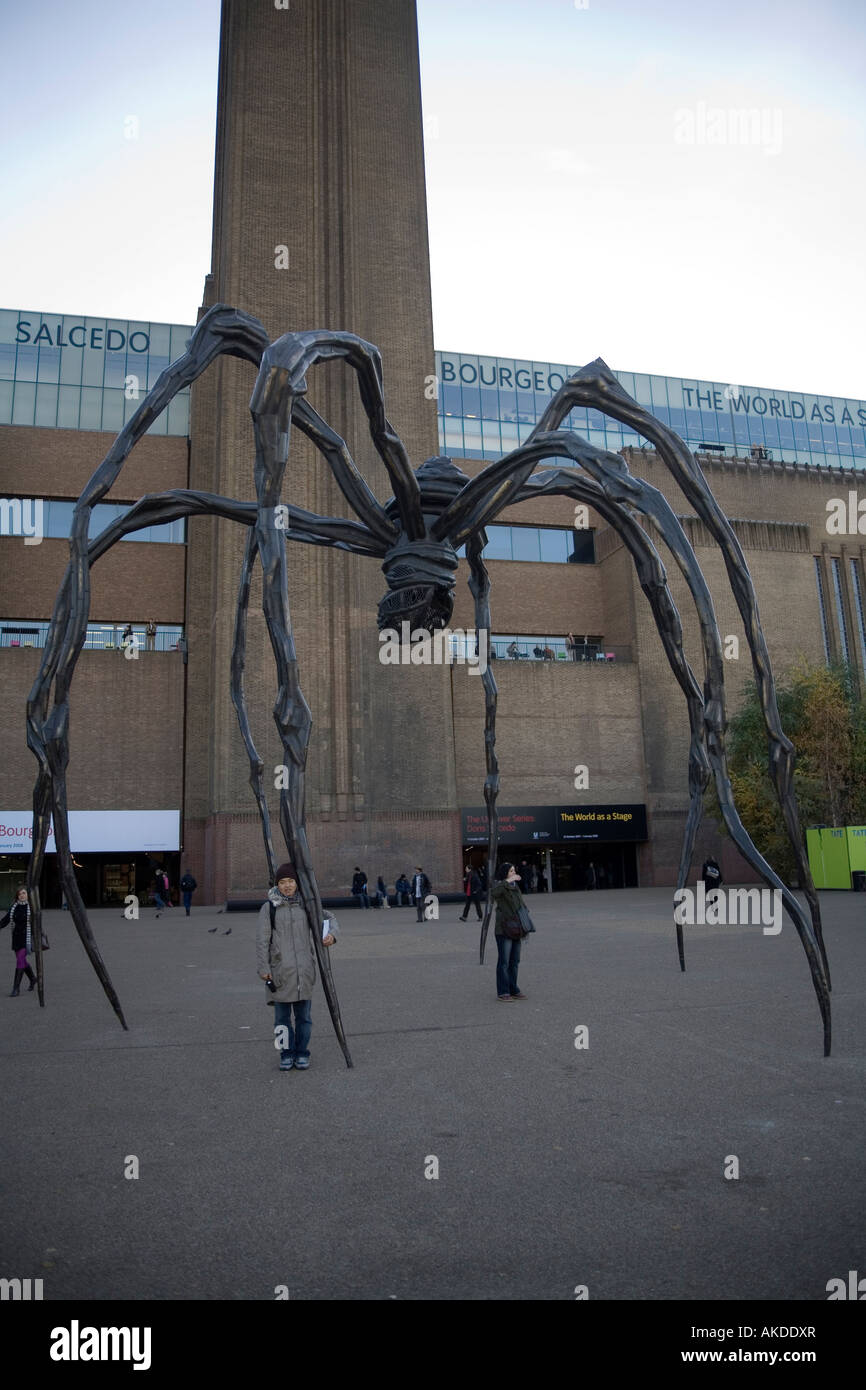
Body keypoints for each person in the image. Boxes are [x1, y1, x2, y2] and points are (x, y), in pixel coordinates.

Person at [257, 861, 337, 1071]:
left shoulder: (308, 904)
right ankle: (286, 1053)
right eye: (282, 882)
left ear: (297, 883)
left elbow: (330, 918)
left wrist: (331, 935)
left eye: (291, 881)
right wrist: (263, 968)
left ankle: (302, 1052)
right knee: (281, 1021)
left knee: (304, 1019)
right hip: (279, 973)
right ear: (277, 885)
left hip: (304, 971)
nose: (287, 885)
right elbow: (262, 941)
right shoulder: (269, 908)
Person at [492, 863, 528, 1001]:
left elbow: (520, 904)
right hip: (504, 928)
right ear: (505, 873)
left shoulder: (515, 886)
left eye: (514, 870)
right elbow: (493, 893)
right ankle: (503, 991)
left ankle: (513, 988)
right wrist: (507, 881)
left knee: (515, 960)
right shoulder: (500, 885)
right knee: (504, 961)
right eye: (511, 871)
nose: (514, 873)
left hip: (517, 927)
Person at [0, 888, 37, 996]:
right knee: (22, 961)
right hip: (16, 937)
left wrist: (37, 935)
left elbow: (37, 922)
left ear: (27, 895)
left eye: (24, 893)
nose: (22, 895)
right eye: (19, 894)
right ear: (17, 896)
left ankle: (16, 988)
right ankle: (33, 978)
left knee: (20, 960)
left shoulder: (32, 907)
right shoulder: (14, 907)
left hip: (27, 938)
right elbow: (5, 920)